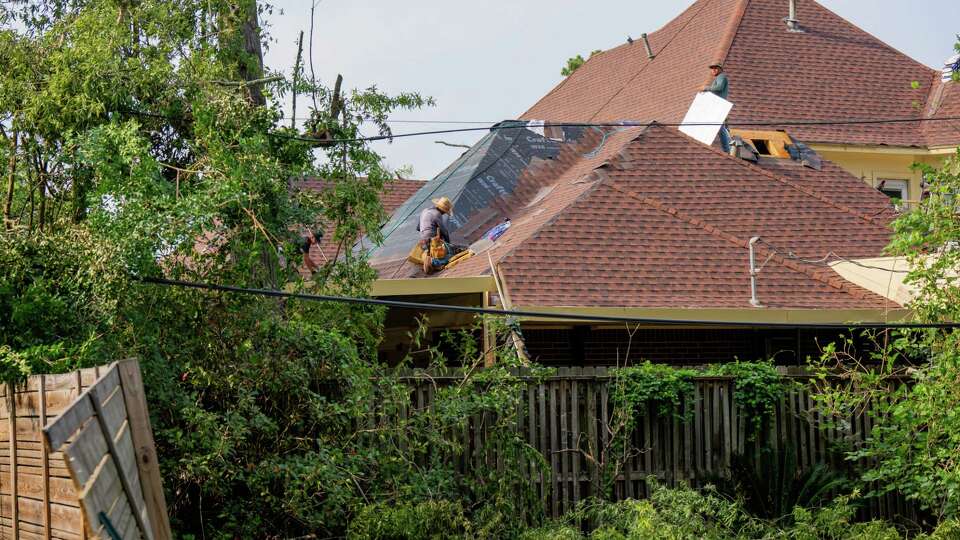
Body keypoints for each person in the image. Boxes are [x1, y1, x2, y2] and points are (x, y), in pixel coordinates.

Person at [417, 196, 453, 273]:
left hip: (423, 240)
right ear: (442, 210)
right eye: (444, 212)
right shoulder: (437, 214)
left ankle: (429, 257)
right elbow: (444, 232)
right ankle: (434, 262)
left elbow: (418, 228)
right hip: (432, 242)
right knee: (450, 254)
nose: (444, 214)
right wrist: (449, 244)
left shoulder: (425, 211)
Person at [703, 62, 732, 153]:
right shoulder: (719, 77)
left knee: (719, 127)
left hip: (719, 105)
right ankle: (727, 149)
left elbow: (719, 87)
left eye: (716, 68)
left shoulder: (721, 77)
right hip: (718, 105)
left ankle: (727, 149)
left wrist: (706, 88)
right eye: (712, 68)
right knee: (720, 127)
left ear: (720, 69)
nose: (714, 70)